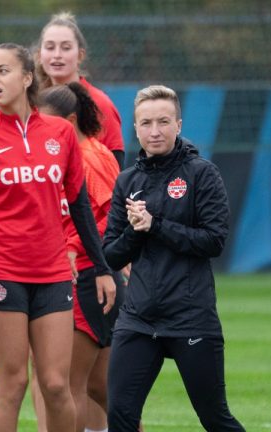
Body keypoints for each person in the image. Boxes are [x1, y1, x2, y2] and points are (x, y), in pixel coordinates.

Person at [0, 43, 115, 432]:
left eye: (2, 71)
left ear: (26, 78)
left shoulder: (60, 134)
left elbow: (80, 208)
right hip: (1, 271)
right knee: (14, 383)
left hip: (54, 273)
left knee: (56, 385)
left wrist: (102, 267)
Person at [103, 85, 244, 432]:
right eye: (146, 123)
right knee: (120, 414)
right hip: (138, 318)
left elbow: (214, 241)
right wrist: (136, 230)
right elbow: (110, 254)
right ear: (135, 129)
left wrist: (156, 225)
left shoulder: (201, 174)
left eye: (163, 122)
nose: (155, 131)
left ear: (178, 124)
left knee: (215, 418)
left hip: (190, 315)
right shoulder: (127, 181)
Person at [29, 82, 124, 432]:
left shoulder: (89, 158)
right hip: (87, 277)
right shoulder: (74, 156)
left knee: (69, 384)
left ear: (69, 121)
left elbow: (111, 221)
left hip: (88, 278)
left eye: (45, 123)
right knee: (101, 386)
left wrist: (72, 247)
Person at [35, 11, 125, 168]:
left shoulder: (100, 104)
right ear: (39, 55)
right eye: (50, 47)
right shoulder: (32, 103)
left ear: (80, 55)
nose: (57, 55)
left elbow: (115, 170)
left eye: (66, 48)